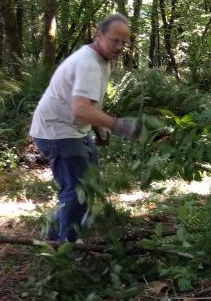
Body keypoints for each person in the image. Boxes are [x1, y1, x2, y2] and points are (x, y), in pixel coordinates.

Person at [29, 14, 141, 243]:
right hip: (56, 131)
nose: (119, 47)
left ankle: (55, 235)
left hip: (73, 129)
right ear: (98, 36)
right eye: (114, 40)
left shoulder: (99, 59)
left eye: (123, 42)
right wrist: (118, 125)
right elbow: (80, 109)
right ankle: (67, 247)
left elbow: (87, 102)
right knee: (78, 190)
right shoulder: (89, 63)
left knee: (88, 183)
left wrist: (99, 125)